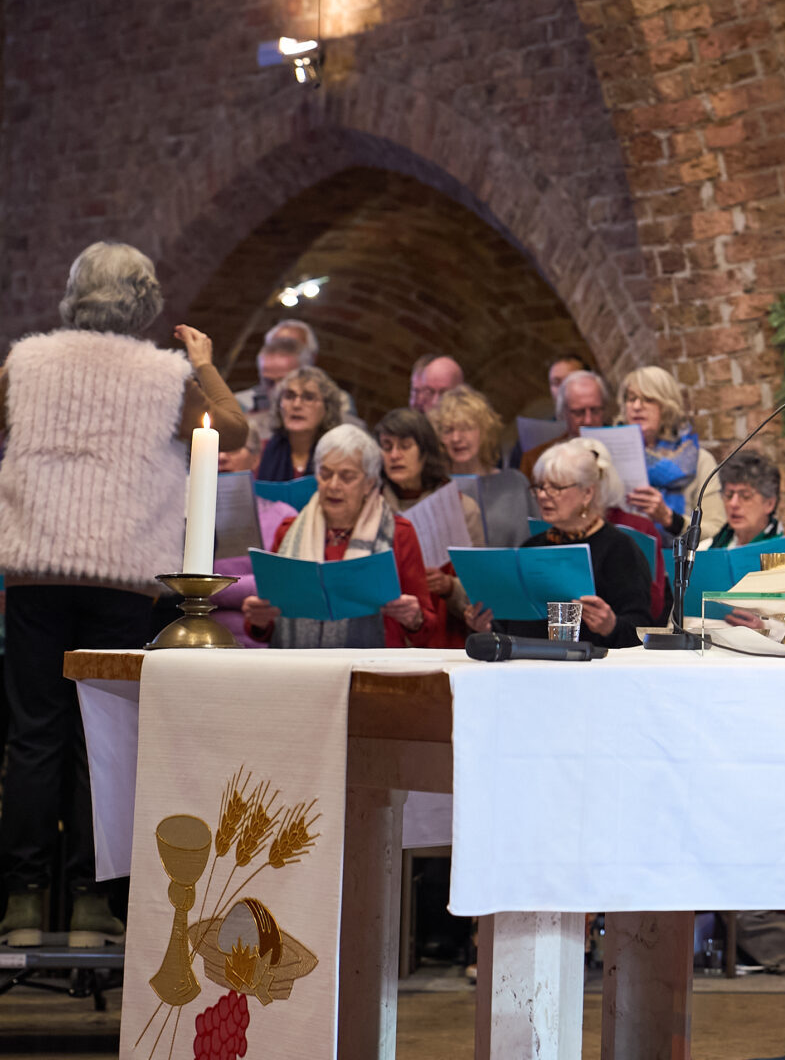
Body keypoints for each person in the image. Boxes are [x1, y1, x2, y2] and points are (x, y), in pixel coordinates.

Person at [0, 242, 248, 948]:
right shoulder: (165, 376)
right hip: (119, 574)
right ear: (144, 300)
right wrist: (202, 361)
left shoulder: (26, 362)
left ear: (74, 293)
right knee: (98, 740)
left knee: (33, 734)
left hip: (35, 569)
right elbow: (232, 429)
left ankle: (20, 903)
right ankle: (88, 902)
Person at [241, 425, 449, 648]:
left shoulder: (399, 533)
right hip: (298, 669)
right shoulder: (288, 530)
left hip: (372, 671)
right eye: (325, 474)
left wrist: (413, 618)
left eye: (347, 477)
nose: (333, 485)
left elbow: (428, 628)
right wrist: (259, 621)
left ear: (369, 483)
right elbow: (267, 624)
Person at [467, 437, 663, 643]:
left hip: (593, 670)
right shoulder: (532, 548)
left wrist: (611, 625)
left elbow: (640, 629)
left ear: (587, 493)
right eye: (540, 487)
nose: (543, 496)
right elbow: (512, 623)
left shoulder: (619, 550)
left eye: (556, 488)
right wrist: (486, 626)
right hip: (528, 667)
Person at [211, 424, 299, 647]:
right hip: (192, 636)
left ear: (256, 458)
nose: (221, 457)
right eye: (215, 449)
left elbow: (280, 585)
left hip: (261, 642)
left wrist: (207, 587)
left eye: (232, 449)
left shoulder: (283, 516)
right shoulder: (184, 515)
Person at [616, 366, 723, 542]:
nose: (636, 406)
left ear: (667, 406)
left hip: (678, 564)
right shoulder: (609, 458)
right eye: (631, 398)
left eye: (648, 399)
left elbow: (716, 532)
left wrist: (669, 519)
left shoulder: (698, 460)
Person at [430, 385, 537, 547]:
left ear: (484, 431)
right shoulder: (434, 488)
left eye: (466, 428)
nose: (456, 438)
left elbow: (537, 540)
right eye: (448, 430)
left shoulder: (514, 482)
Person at [374, 408, 484, 552]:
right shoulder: (369, 505)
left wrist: (449, 576)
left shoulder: (463, 508)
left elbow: (477, 572)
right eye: (387, 447)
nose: (394, 455)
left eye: (405, 446)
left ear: (425, 452)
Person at [256, 365, 347, 482]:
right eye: (289, 396)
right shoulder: (260, 452)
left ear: (327, 408)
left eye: (309, 398)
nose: (296, 405)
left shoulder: (341, 457)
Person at [520, 369, 609, 478]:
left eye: (595, 410)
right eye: (579, 412)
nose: (588, 420)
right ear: (563, 412)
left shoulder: (625, 450)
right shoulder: (535, 460)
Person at [695, 451, 783, 550]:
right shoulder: (704, 551)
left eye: (745, 496)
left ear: (769, 504)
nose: (733, 503)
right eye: (729, 495)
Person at [231, 333, 304, 415]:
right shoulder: (240, 405)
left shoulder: (317, 408)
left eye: (284, 381)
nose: (277, 389)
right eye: (269, 382)